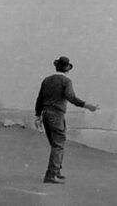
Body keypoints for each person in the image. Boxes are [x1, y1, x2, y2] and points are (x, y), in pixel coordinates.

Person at [34, 56, 98, 184]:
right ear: (67, 69)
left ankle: (56, 171)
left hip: (46, 114)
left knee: (55, 143)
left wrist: (37, 115)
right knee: (58, 144)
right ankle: (51, 175)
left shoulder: (46, 80)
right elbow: (71, 97)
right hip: (57, 115)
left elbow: (39, 98)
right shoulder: (66, 81)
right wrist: (87, 105)